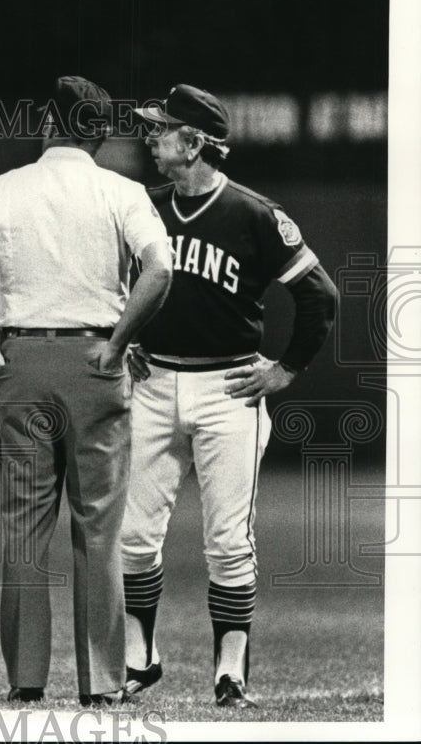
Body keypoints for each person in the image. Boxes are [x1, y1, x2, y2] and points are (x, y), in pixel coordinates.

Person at [0, 76, 173, 706]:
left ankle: (26, 680)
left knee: (24, 526)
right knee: (100, 528)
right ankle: (103, 684)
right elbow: (161, 269)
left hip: (22, 362)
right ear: (98, 134)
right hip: (96, 362)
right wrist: (119, 344)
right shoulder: (121, 191)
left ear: (48, 121)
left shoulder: (2, 189)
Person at [121, 85, 337, 708]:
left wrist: (286, 369)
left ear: (194, 143)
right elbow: (113, 277)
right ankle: (141, 655)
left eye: (162, 131)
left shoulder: (253, 214)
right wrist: (125, 332)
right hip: (154, 382)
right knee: (135, 534)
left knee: (227, 540)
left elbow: (320, 296)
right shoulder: (143, 206)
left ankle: (231, 671)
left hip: (229, 389)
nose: (152, 139)